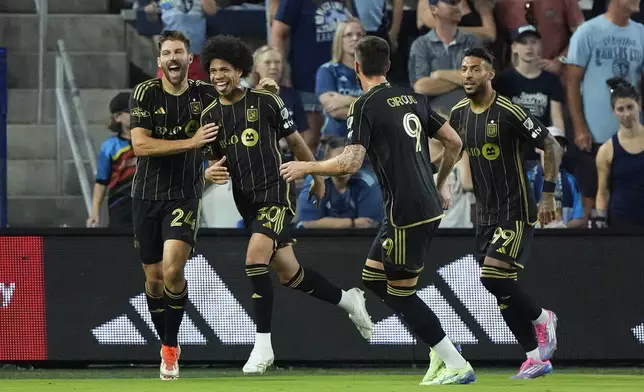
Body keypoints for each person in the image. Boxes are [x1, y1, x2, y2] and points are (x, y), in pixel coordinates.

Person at [280, 36, 476, 386]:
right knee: (373, 279)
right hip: (417, 207)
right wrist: (441, 182)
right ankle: (439, 349)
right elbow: (455, 142)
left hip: (407, 211)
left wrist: (308, 168)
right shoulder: (414, 98)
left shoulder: (364, 105)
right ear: (387, 66)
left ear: (356, 67)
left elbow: (351, 163)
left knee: (400, 292)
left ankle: (454, 361)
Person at [199, 35, 373, 375]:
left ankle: (263, 347)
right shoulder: (209, 114)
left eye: (226, 69)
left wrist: (318, 178)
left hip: (275, 193)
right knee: (290, 275)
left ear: (240, 71)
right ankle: (348, 299)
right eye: (213, 70)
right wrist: (212, 171)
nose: (218, 76)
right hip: (245, 201)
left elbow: (295, 143)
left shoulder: (265, 101)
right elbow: (215, 162)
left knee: (254, 259)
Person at [449, 47, 562, 379]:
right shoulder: (458, 113)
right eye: (464, 69)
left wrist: (549, 195)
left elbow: (551, 145)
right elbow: (452, 149)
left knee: (491, 277)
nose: (468, 74)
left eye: (475, 69)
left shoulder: (509, 111)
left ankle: (544, 318)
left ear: (490, 74)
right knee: (502, 290)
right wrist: (440, 183)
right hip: (484, 213)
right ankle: (535, 358)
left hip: (515, 207)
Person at [128, 30, 223, 380]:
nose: (173, 58)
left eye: (179, 52)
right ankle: (167, 342)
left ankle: (170, 349)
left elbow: (238, 101)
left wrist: (265, 92)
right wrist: (193, 142)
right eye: (167, 52)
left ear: (188, 59)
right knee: (153, 281)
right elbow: (141, 145)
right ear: (159, 61)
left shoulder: (205, 94)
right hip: (146, 195)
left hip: (184, 194)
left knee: (172, 270)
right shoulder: (145, 93)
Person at [566, 0, 644, 219]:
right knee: (592, 200)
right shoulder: (588, 31)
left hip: (633, 137)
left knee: (633, 198)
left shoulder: (641, 33)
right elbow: (571, 82)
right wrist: (580, 126)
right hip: (595, 133)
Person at [494, 25, 565, 167]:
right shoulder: (502, 81)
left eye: (533, 42)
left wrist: (559, 142)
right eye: (523, 43)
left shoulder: (551, 80)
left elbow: (556, 117)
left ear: (540, 45)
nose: (529, 47)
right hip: (511, 150)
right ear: (514, 47)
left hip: (541, 150)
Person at [296, 137, 383, 229]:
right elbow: (308, 222)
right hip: (318, 239)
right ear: (326, 162)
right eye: (337, 161)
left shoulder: (368, 182)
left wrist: (324, 223)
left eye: (348, 159)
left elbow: (369, 224)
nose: (343, 165)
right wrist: (352, 223)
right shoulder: (315, 180)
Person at [594, 77, 644, 229]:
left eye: (630, 107)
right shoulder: (606, 150)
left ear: (639, 105)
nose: (627, 114)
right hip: (621, 224)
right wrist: (600, 221)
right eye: (620, 109)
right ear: (613, 111)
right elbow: (602, 191)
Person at [87, 92, 137, 229]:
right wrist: (95, 212)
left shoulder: (153, 141)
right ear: (118, 117)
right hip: (120, 206)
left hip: (149, 206)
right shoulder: (110, 146)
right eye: (131, 111)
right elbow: (101, 182)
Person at [528, 126, 586, 228]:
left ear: (564, 150)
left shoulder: (570, 181)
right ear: (537, 148)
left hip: (562, 241)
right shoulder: (526, 179)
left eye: (558, 145)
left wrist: (562, 228)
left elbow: (580, 218)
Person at [316, 18, 365, 139]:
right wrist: (367, 112)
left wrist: (346, 100)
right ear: (339, 40)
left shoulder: (374, 72)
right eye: (349, 34)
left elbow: (380, 108)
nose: (355, 38)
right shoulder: (327, 70)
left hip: (366, 141)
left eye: (359, 35)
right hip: (336, 140)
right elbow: (334, 110)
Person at [417, 0, 497, 43]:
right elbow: (439, 27)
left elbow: (490, 34)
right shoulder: (427, 2)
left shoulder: (480, 2)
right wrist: (479, 32)